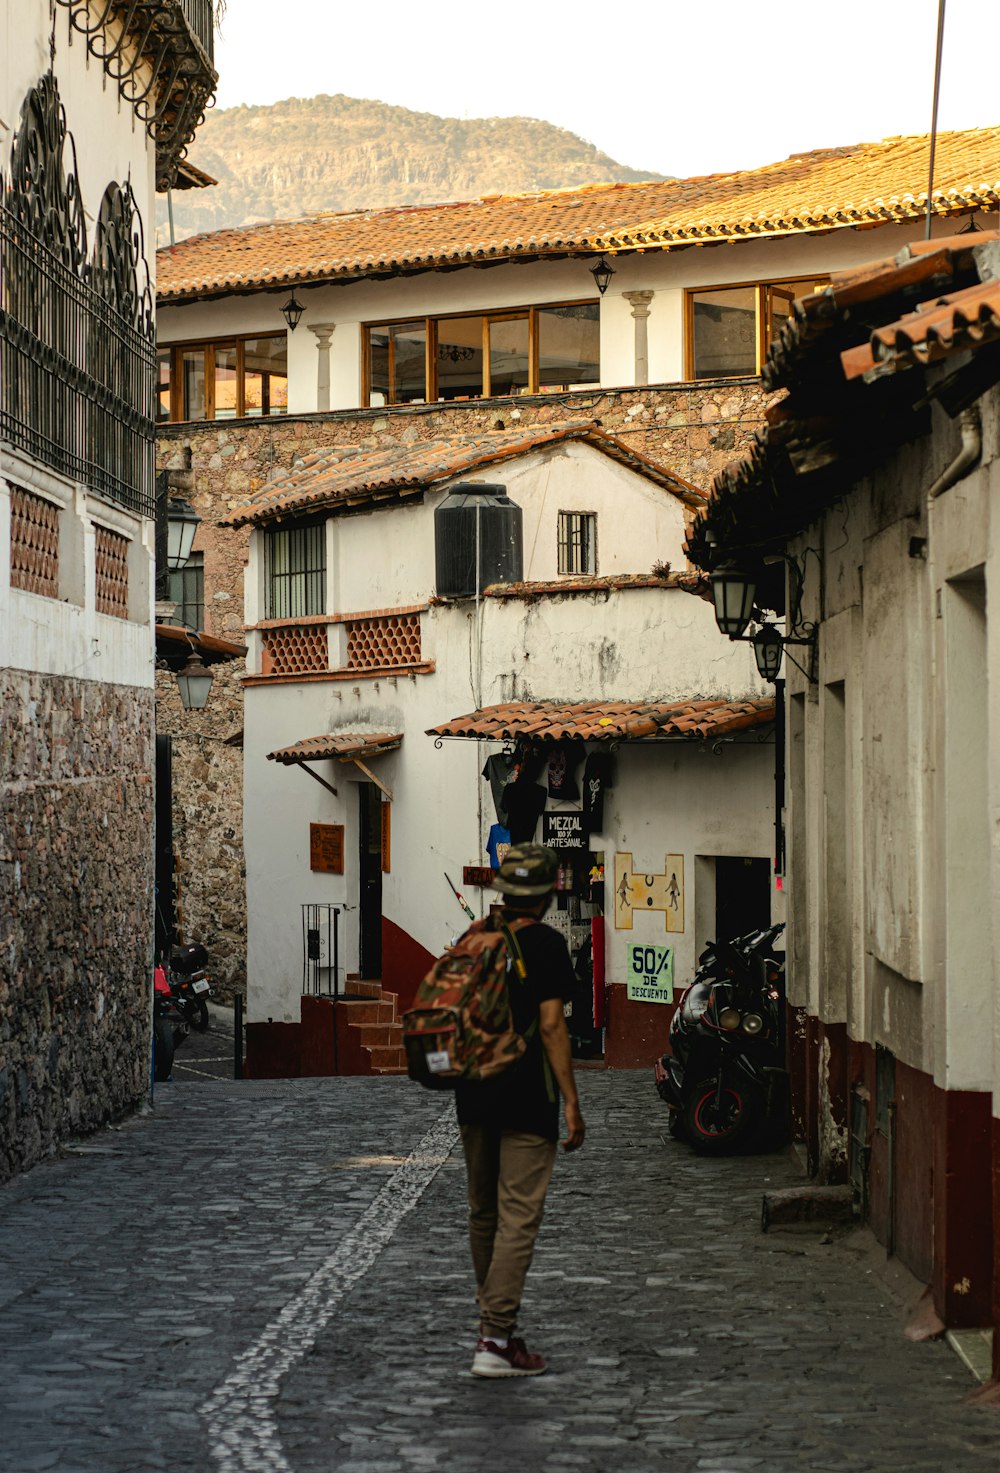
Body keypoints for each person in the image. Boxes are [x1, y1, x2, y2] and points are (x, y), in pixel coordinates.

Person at [454, 842, 586, 1378]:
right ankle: (496, 1339)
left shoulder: (473, 937)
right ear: (550, 892)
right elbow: (552, 1026)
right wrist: (573, 1103)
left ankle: (492, 1327)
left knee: (484, 1211)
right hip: (528, 1095)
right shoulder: (548, 945)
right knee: (518, 1216)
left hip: (473, 1089)